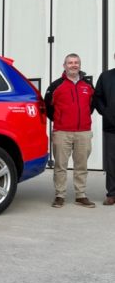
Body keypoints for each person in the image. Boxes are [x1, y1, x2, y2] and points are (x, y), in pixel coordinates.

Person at [44, 53, 95, 208]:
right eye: (70, 62)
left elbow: (91, 106)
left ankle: (80, 195)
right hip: (62, 132)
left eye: (76, 62)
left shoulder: (87, 86)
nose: (73, 65)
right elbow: (47, 107)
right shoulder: (56, 85)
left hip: (83, 132)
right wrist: (60, 119)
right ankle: (60, 195)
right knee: (60, 165)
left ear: (80, 65)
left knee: (81, 165)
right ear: (64, 65)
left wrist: (83, 118)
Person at [93, 66, 115, 205]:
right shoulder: (105, 76)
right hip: (111, 127)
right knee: (111, 162)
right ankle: (112, 194)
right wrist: (105, 113)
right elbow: (97, 97)